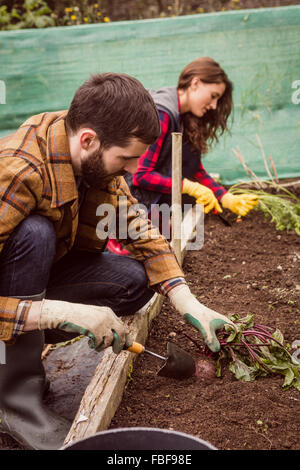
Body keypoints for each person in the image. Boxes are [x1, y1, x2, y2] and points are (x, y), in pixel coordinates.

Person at [0, 72, 235, 450]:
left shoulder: (89, 150)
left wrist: (186, 299)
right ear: (90, 140)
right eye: (126, 159)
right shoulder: (17, 172)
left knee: (132, 281)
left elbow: (139, 228)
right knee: (35, 232)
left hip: (37, 274)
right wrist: (53, 312)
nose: (131, 170)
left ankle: (26, 342)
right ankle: (15, 399)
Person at [108, 57, 257, 249]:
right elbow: (140, 176)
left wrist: (224, 196)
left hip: (147, 202)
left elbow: (195, 170)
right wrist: (188, 187)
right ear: (195, 83)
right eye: (213, 96)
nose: (214, 105)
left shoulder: (184, 116)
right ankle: (118, 235)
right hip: (127, 200)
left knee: (187, 205)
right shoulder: (162, 112)